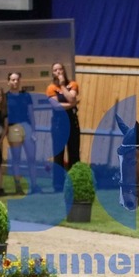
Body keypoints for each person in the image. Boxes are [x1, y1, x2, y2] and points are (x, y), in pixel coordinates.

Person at [47, 62, 80, 192]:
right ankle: (58, 184)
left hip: (72, 122)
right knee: (58, 154)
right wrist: (72, 105)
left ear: (64, 70)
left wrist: (62, 85)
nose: (58, 72)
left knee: (74, 153)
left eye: (60, 69)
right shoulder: (51, 88)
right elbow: (56, 106)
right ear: (52, 73)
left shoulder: (73, 84)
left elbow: (71, 97)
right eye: (55, 70)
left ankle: (74, 182)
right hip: (58, 123)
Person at [6, 72, 41, 195]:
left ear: (20, 81)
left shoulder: (26, 96)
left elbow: (31, 113)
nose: (15, 82)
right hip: (13, 128)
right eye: (13, 80)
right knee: (16, 158)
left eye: (17, 79)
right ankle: (18, 187)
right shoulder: (5, 97)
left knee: (31, 158)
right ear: (8, 82)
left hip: (27, 126)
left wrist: (34, 130)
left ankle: (34, 185)